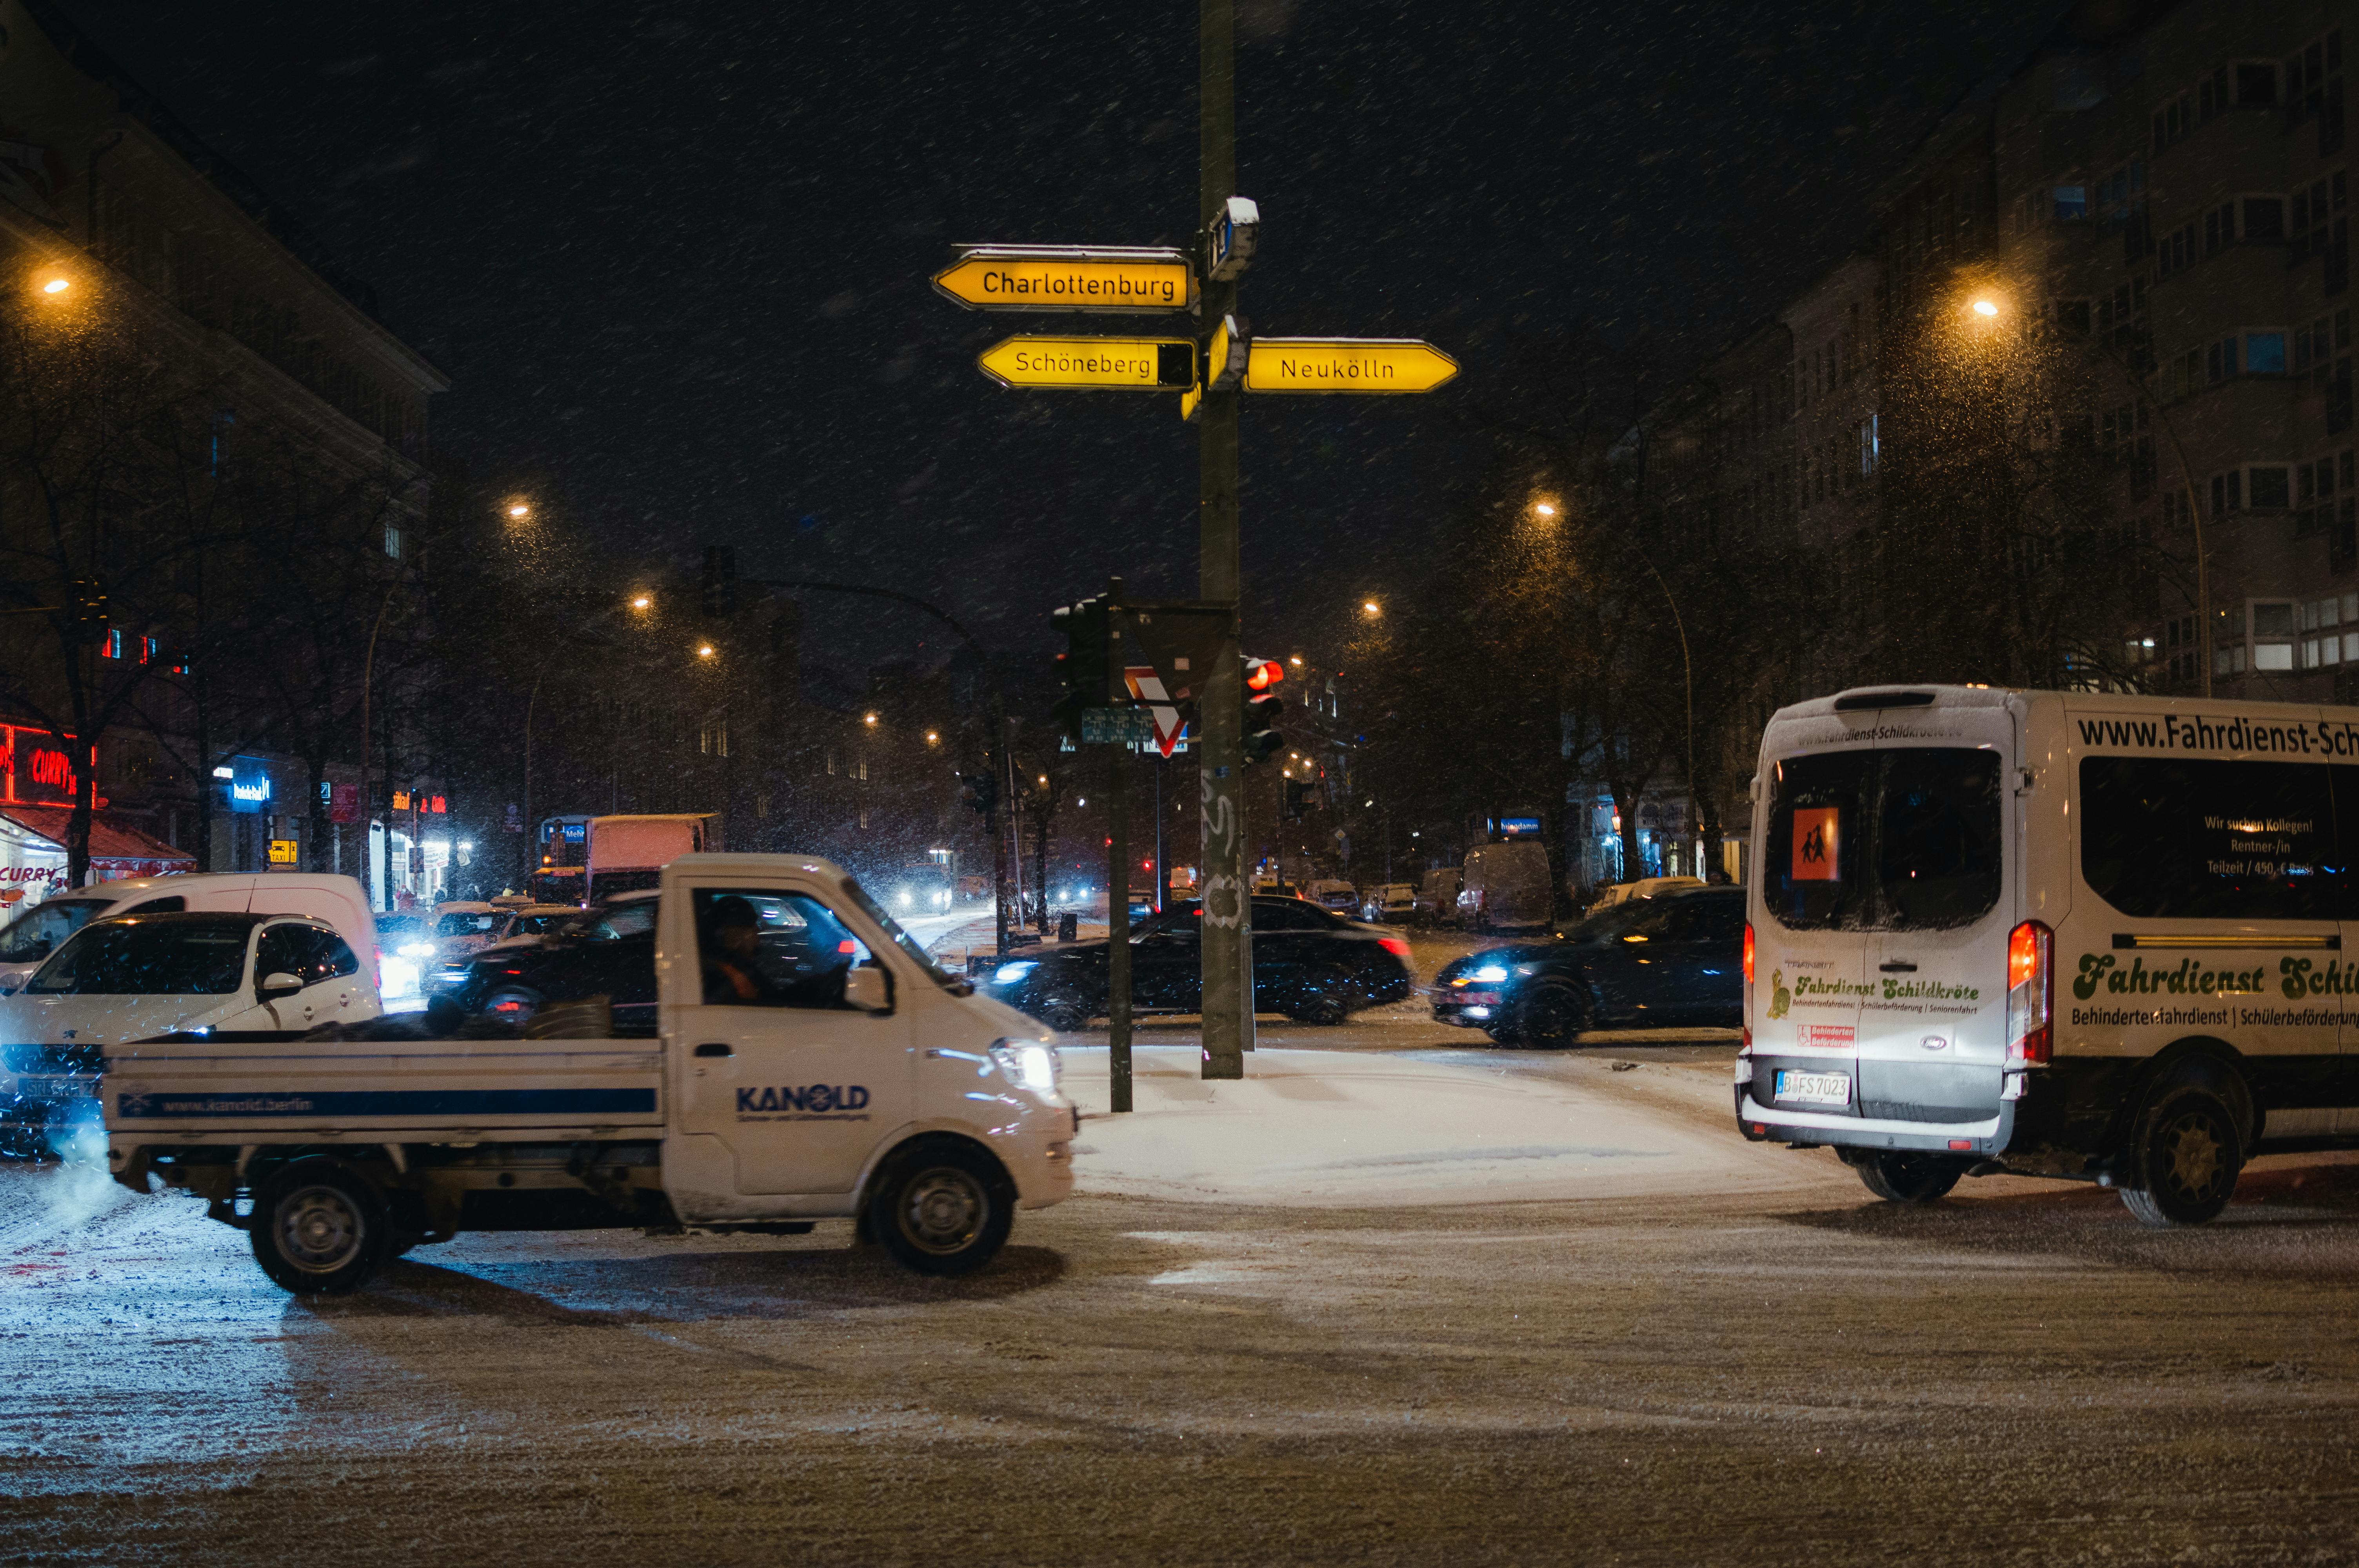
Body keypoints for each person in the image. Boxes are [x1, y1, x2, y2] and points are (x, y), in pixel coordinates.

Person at [701, 895, 788, 1005]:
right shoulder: (723, 977)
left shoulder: (735, 967)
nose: (758, 930)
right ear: (730, 932)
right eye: (750, 925)